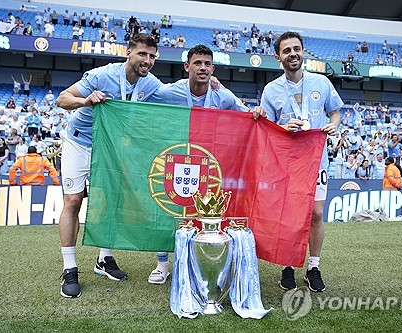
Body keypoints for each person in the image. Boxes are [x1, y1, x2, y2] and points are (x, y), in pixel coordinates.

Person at [55, 34, 164, 298]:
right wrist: (85, 100)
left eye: (151, 56)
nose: (147, 61)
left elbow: (178, 94)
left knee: (111, 202)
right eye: (142, 54)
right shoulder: (102, 75)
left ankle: (104, 259)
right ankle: (70, 268)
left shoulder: (151, 84)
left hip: (110, 147)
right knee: (72, 201)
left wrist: (211, 83)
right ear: (129, 53)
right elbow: (62, 98)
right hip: (79, 143)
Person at [146, 44, 262, 284]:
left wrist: (257, 112)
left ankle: (199, 258)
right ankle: (161, 264)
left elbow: (247, 116)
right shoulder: (171, 92)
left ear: (213, 69)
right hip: (177, 160)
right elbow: (140, 102)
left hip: (209, 165)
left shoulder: (222, 95)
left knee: (202, 212)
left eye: (207, 64)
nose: (203, 68)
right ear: (187, 66)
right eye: (197, 63)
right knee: (167, 209)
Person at [260, 31, 343, 292]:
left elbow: (336, 112)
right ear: (278, 57)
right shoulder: (271, 90)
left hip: (316, 160)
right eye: (287, 50)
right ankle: (287, 266)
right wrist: (284, 127)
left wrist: (332, 126)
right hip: (286, 163)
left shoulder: (321, 83)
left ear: (303, 52)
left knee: (316, 214)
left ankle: (313, 267)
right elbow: (267, 128)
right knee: (288, 216)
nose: (293, 54)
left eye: (297, 49)